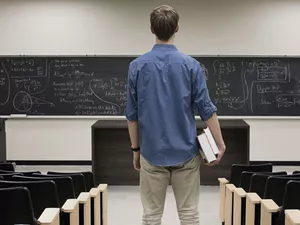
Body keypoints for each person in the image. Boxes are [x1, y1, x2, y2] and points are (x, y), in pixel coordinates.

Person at [125, 5, 226, 225]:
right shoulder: (191, 66)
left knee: (151, 216)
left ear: (152, 29)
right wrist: (219, 143)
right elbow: (207, 110)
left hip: (151, 153)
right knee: (189, 214)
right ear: (177, 28)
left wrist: (136, 150)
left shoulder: (137, 67)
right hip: (186, 153)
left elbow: (132, 116)